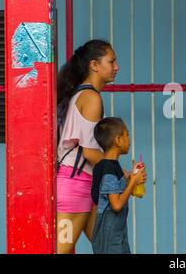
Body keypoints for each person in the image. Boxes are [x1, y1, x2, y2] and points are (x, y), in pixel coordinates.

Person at [56, 39, 119, 253]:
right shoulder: (91, 98)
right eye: (111, 61)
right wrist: (121, 173)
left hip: (84, 185)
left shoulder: (82, 94)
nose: (116, 67)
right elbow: (89, 151)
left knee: (108, 249)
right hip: (75, 186)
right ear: (94, 65)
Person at [91, 117, 146, 254]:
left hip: (116, 231)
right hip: (110, 234)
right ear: (118, 140)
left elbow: (115, 192)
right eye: (127, 135)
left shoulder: (110, 166)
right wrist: (133, 181)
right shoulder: (109, 169)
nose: (129, 140)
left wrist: (133, 181)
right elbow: (116, 205)